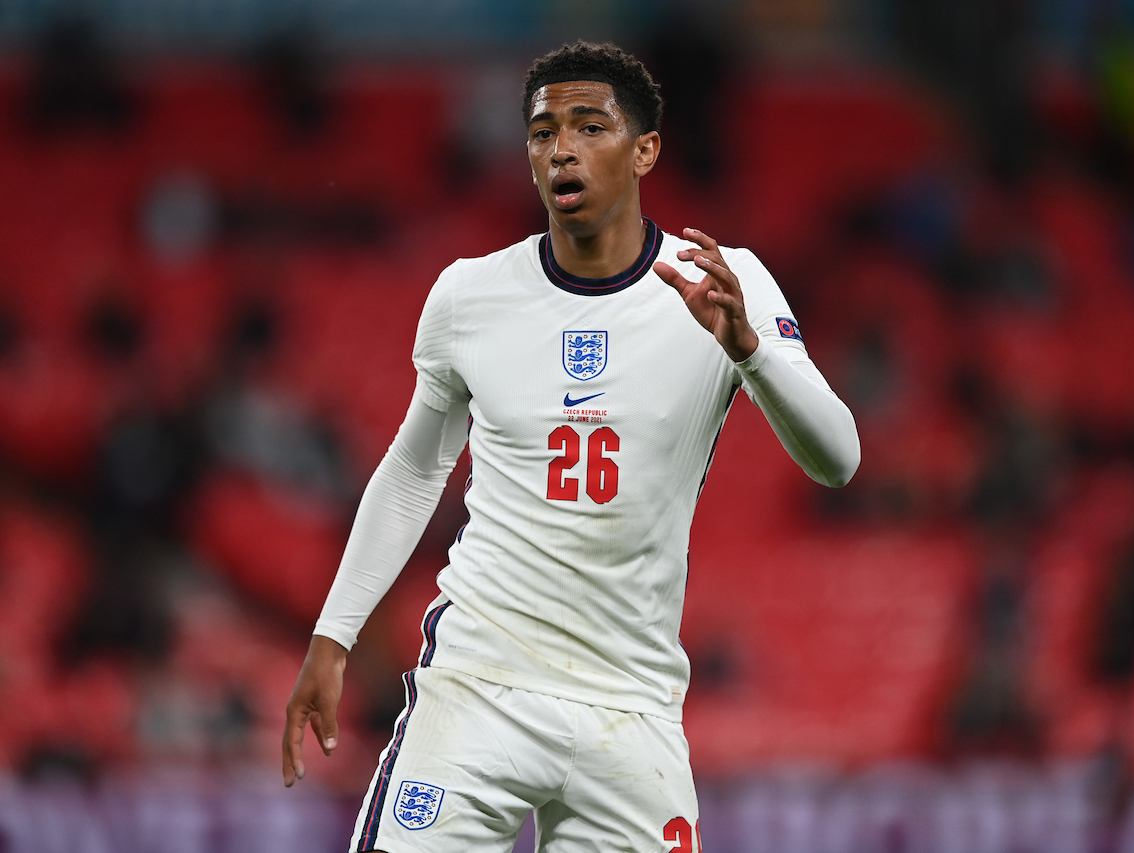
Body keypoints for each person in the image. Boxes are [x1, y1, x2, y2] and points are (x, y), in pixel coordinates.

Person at [282, 40, 860, 853]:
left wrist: (751, 352)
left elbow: (840, 459)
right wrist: (334, 634)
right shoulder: (469, 295)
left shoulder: (724, 282)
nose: (562, 149)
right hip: (480, 685)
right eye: (543, 131)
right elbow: (415, 468)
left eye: (590, 127)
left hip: (630, 709)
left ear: (645, 149)